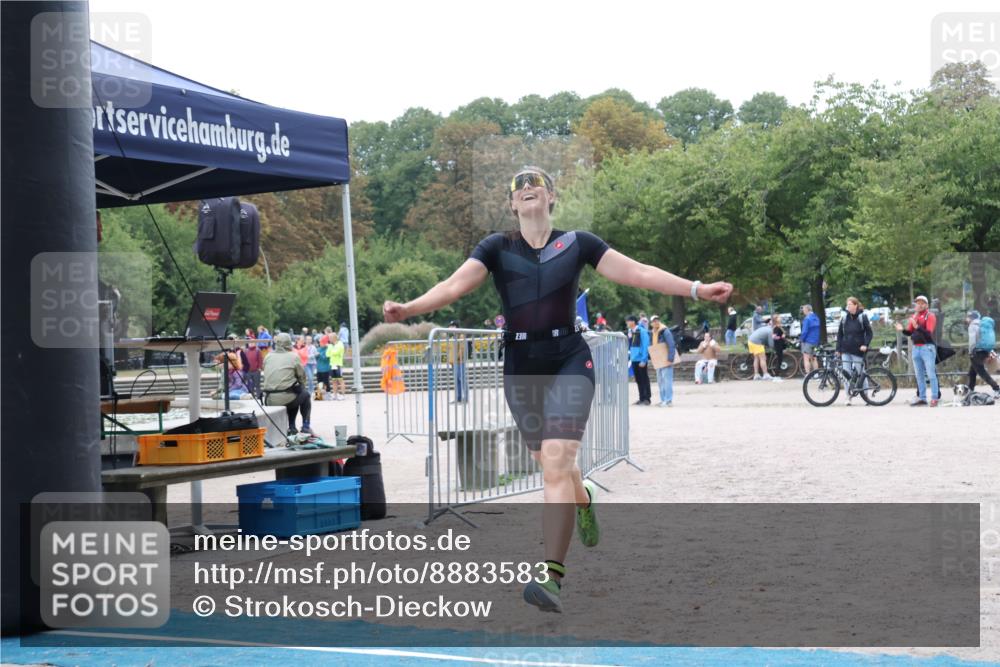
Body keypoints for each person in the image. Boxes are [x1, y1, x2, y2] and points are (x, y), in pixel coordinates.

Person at [382, 166, 732, 613]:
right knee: (554, 467)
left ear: (552, 197)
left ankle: (551, 578)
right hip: (521, 368)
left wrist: (697, 289)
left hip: (569, 359)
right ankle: (583, 499)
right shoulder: (496, 247)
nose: (527, 189)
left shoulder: (579, 243)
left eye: (536, 184)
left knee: (554, 465)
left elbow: (638, 272)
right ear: (512, 204)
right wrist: (409, 309)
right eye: (518, 187)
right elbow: (453, 285)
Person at [262, 332, 312, 434]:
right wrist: (301, 384)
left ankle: (292, 427)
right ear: (289, 344)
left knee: (293, 393)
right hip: (286, 398)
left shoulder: (268, 356)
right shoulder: (293, 356)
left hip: (269, 399)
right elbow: (302, 377)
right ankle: (305, 426)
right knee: (304, 394)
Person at [896, 295, 939, 407]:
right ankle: (922, 398)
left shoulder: (930, 316)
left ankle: (934, 397)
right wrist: (902, 330)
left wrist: (917, 326)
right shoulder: (915, 316)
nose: (918, 305)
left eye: (921, 303)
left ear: (926, 305)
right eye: (917, 303)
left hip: (927, 347)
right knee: (919, 375)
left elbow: (929, 333)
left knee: (930, 374)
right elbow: (910, 332)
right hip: (916, 348)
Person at [836, 297, 873, 405]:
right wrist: (838, 348)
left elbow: (869, 333)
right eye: (847, 305)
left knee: (861, 374)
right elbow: (840, 334)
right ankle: (848, 396)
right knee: (846, 374)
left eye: (850, 304)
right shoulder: (844, 318)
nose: (848, 307)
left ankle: (866, 396)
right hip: (845, 349)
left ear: (856, 305)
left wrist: (865, 344)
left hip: (857, 350)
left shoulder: (862, 317)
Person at [965, 310, 1000, 398]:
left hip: (976, 351)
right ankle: (970, 390)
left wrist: (971, 351)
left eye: (968, 317)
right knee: (972, 372)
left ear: (971, 318)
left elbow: (972, 341)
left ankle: (996, 388)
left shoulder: (972, 326)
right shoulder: (982, 324)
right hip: (984, 350)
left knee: (981, 372)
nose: (966, 319)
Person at [648, 315, 675, 406]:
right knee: (660, 381)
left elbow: (671, 345)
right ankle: (663, 399)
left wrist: (670, 359)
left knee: (667, 381)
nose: (656, 322)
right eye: (654, 321)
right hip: (658, 360)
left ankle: (668, 400)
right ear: (651, 323)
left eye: (657, 320)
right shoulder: (653, 332)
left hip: (666, 359)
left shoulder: (665, 331)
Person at [627, 315, 652, 405]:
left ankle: (647, 398)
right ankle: (641, 398)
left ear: (633, 322)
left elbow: (646, 345)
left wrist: (644, 359)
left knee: (644, 379)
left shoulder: (641, 331)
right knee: (638, 379)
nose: (627, 323)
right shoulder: (631, 332)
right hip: (634, 359)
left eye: (628, 321)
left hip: (641, 359)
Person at [447, 320, 467, 403]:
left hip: (459, 361)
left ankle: (465, 398)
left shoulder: (460, 336)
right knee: (456, 380)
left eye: (452, 326)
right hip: (453, 362)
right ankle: (458, 398)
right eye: (450, 326)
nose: (450, 327)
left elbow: (461, 349)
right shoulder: (452, 338)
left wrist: (457, 358)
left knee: (462, 379)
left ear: (456, 327)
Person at [799, 304, 821, 374]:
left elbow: (804, 331)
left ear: (807, 310)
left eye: (804, 310)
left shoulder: (807, 319)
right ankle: (816, 374)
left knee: (806, 358)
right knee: (814, 358)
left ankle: (808, 375)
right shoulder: (817, 318)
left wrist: (801, 339)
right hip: (815, 341)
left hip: (808, 341)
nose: (803, 312)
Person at [327, 334, 347, 400]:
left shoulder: (340, 344)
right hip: (332, 364)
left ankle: (343, 395)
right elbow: (327, 354)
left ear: (334, 338)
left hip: (338, 364)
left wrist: (331, 351)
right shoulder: (330, 345)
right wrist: (332, 351)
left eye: (330, 338)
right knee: (334, 380)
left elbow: (336, 352)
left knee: (340, 380)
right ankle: (335, 395)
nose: (329, 339)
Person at [771, 316, 788, 381]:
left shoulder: (779, 327)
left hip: (780, 345)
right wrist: (781, 337)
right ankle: (776, 376)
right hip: (778, 345)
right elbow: (774, 337)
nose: (780, 318)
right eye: (778, 317)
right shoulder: (776, 328)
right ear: (776, 320)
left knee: (780, 360)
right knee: (779, 360)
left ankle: (777, 375)